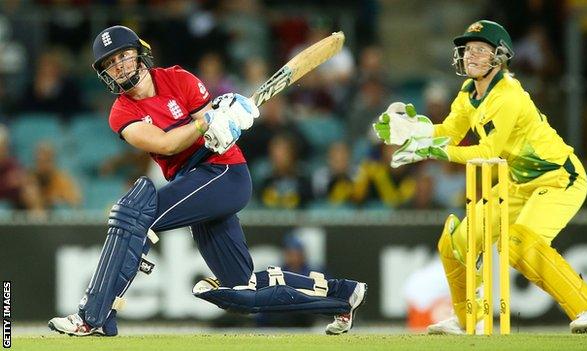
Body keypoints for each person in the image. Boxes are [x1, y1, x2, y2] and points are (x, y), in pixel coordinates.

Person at [48, 25, 366, 337]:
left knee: (133, 214)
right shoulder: (121, 112)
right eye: (110, 63)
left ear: (140, 54)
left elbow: (214, 130)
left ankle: (94, 315)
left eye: (124, 56)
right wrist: (209, 121)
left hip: (223, 172)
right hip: (195, 183)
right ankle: (342, 296)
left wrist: (228, 118)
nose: (119, 66)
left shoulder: (178, 78)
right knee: (244, 291)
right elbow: (166, 144)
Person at [373, 20, 587, 334]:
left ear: (499, 57)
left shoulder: (507, 96)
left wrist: (430, 150)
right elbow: (449, 132)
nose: (470, 56)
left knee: (518, 241)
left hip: (559, 178)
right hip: (518, 181)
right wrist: (415, 132)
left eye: (480, 50)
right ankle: (466, 318)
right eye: (467, 49)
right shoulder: (467, 92)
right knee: (456, 243)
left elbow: (487, 151)